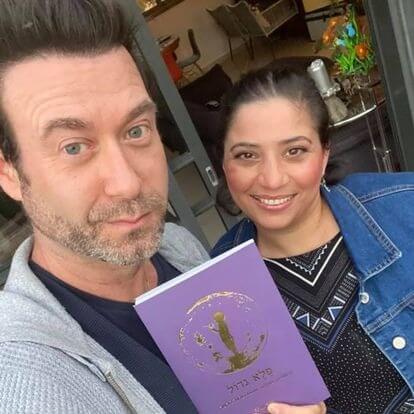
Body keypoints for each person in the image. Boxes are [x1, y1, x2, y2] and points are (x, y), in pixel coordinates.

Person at [0, 1, 212, 413]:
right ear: (9, 173)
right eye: (73, 147)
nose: (127, 183)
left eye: (136, 130)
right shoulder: (25, 386)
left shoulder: (177, 247)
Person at [211, 67, 414, 414]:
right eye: (247, 155)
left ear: (323, 155)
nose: (272, 179)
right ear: (223, 164)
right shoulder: (214, 289)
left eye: (295, 151)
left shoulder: (403, 208)